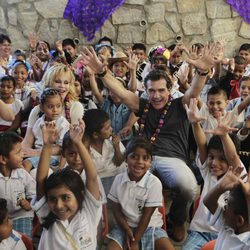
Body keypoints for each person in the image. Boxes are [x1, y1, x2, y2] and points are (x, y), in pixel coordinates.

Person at [81, 43, 221, 241]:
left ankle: (177, 220)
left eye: (161, 90)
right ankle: (124, 225)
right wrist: (102, 73)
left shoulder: (179, 104)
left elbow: (194, 92)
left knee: (190, 187)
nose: (156, 96)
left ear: (170, 90)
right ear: (146, 91)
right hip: (141, 156)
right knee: (122, 184)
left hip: (171, 159)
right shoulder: (143, 104)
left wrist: (202, 71)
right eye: (152, 91)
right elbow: (120, 92)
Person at [182, 98, 246, 250]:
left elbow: (233, 157)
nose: (214, 163)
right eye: (212, 157)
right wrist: (194, 123)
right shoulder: (208, 172)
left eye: (222, 159)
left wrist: (224, 136)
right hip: (199, 232)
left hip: (225, 234)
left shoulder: (237, 174)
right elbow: (202, 145)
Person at [32, 120, 102, 250]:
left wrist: (78, 143)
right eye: (52, 199)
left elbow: (92, 178)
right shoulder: (47, 214)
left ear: (80, 195)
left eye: (65, 198)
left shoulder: (88, 212)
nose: (58, 205)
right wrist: (47, 145)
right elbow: (40, 181)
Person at [106, 137, 174, 250]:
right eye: (134, 157)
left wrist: (134, 241)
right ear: (126, 159)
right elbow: (116, 209)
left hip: (150, 227)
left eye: (145, 158)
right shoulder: (119, 179)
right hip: (124, 226)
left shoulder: (154, 183)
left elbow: (146, 216)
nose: (140, 162)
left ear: (150, 161)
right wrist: (127, 230)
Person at [22, 63, 84, 156]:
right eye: (58, 82)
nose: (62, 86)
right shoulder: (37, 110)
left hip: (62, 158)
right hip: (36, 156)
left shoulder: (76, 107)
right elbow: (27, 142)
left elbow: (71, 144)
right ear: (48, 83)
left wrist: (37, 153)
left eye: (66, 83)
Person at [22, 88, 70, 171]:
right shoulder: (38, 122)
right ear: (42, 107)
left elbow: (62, 148)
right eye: (50, 106)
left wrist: (37, 152)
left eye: (58, 106)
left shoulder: (63, 124)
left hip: (53, 157)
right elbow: (31, 142)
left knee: (26, 164)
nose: (55, 110)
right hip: (37, 155)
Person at [203, 167, 250, 249]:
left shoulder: (247, 243)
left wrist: (248, 196)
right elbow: (208, 202)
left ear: (239, 220)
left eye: (227, 205)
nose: (224, 207)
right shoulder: (227, 225)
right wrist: (220, 187)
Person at [0, 132, 36, 238]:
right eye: (18, 152)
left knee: (23, 240)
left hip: (21, 215)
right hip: (2, 219)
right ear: (3, 159)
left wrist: (29, 204)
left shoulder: (22, 174)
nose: (23, 155)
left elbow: (34, 194)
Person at [83, 109, 127, 195]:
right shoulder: (85, 147)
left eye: (110, 126)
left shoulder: (112, 140)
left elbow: (119, 162)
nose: (111, 129)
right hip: (98, 183)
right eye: (107, 128)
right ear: (95, 135)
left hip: (118, 178)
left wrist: (116, 147)